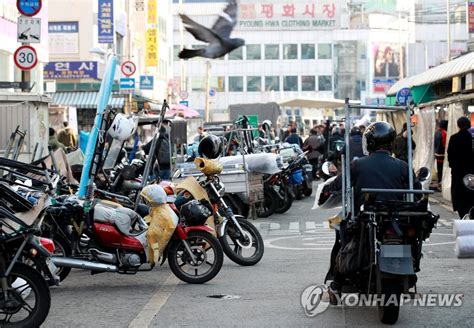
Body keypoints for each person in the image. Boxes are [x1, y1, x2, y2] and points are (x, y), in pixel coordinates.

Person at [324, 121, 419, 299]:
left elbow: (338, 183)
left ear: (370, 142)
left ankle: (337, 284)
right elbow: (418, 189)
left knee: (342, 236)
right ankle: (411, 271)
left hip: (365, 217)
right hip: (397, 218)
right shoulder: (402, 166)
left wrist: (329, 187)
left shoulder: (358, 164)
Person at [447, 116, 474, 219]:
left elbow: (450, 156)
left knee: (459, 197)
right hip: (471, 174)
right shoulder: (472, 138)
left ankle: (463, 215)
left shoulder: (454, 138)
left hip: (458, 173)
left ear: (458, 125)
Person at [434, 120, 448, 189]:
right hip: (442, 154)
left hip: (437, 153)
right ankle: (441, 184)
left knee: (439, 169)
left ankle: (439, 183)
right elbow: (445, 144)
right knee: (442, 169)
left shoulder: (436, 132)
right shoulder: (444, 133)